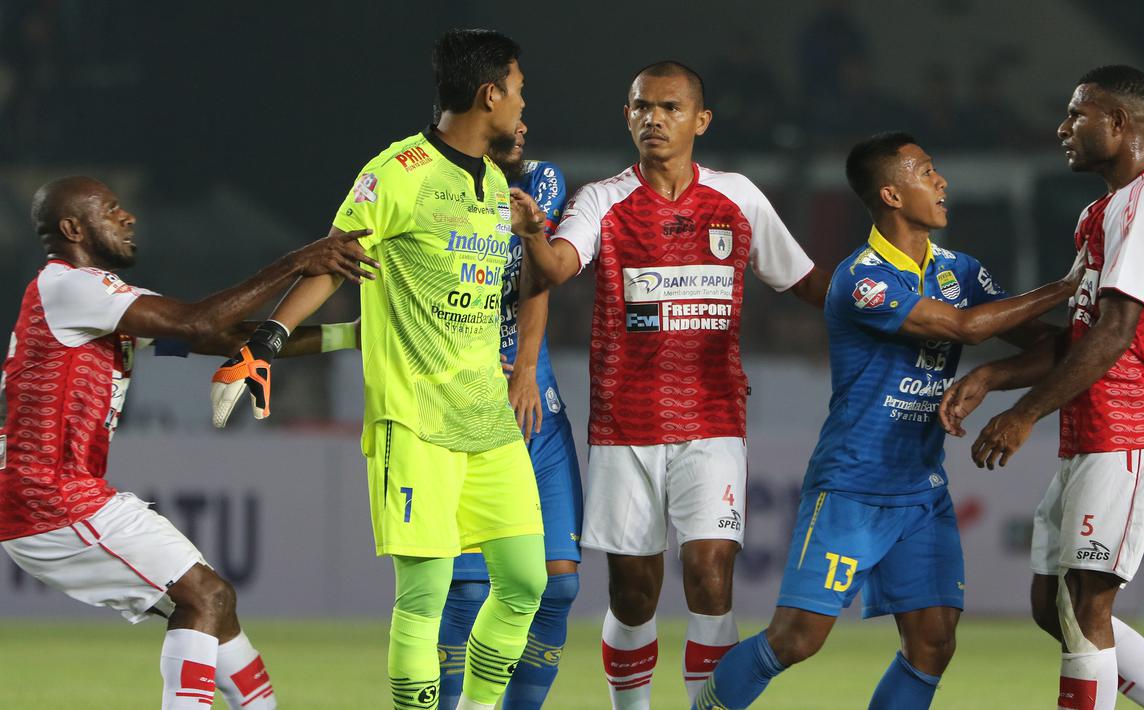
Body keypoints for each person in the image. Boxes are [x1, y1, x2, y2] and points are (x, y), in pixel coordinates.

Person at [692, 131, 1089, 710]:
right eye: (926, 172)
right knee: (796, 639)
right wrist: (1070, 285)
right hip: (852, 486)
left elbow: (1051, 345)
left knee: (934, 643)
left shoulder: (960, 270)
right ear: (892, 194)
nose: (942, 181)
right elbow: (965, 328)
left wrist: (1119, 346)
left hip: (921, 491)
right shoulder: (861, 278)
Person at [212, 28, 547, 710]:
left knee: (525, 583)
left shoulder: (494, 183)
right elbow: (333, 261)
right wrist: (268, 341)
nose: (522, 103)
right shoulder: (398, 171)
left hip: (486, 417)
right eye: (517, 89)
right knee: (424, 595)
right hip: (414, 418)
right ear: (490, 94)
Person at [518, 60, 829, 708]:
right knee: (633, 594)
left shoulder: (737, 197)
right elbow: (557, 266)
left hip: (712, 420)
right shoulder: (602, 200)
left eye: (669, 107)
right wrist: (532, 237)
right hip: (624, 425)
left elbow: (804, 282)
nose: (653, 119)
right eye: (641, 107)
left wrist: (886, 311)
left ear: (700, 120)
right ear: (626, 116)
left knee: (710, 577)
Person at [0, 176, 376, 710]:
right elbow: (199, 322)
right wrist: (297, 262)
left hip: (48, 495)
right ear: (73, 228)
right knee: (206, 597)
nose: (127, 216)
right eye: (111, 209)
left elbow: (222, 337)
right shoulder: (71, 287)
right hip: (51, 496)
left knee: (214, 607)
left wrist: (350, 335)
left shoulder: (101, 301)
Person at [940, 65, 1144, 710]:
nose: (1063, 128)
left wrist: (1025, 412)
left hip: (1132, 428)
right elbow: (1082, 333)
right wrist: (994, 376)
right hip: (1090, 430)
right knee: (1052, 603)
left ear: (1117, 122)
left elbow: (1115, 333)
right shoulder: (1099, 213)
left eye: (1076, 115)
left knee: (1088, 601)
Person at [436, 120, 582, 710]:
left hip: (535, 404)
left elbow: (537, 275)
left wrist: (523, 367)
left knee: (560, 585)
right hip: (467, 409)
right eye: (513, 101)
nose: (523, 122)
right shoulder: (433, 189)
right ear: (483, 104)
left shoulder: (539, 181)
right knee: (467, 591)